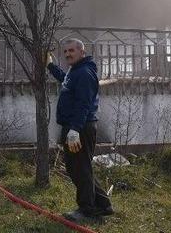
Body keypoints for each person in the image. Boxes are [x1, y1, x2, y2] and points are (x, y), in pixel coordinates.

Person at [47, 38, 114, 223]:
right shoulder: (75, 71)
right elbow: (66, 81)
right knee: (79, 168)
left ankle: (87, 211)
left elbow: (83, 104)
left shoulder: (84, 72)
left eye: (72, 51)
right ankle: (103, 205)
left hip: (80, 128)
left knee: (79, 169)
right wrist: (51, 66)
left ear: (82, 52)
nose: (68, 54)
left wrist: (74, 130)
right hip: (75, 126)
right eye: (66, 51)